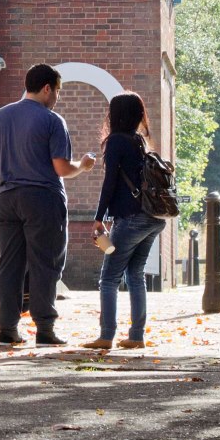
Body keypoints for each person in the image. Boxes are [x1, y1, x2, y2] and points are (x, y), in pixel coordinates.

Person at [0, 63, 96, 345]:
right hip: (43, 197)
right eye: (57, 91)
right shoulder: (52, 120)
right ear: (46, 89)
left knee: (9, 263)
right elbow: (62, 168)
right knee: (45, 262)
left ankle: (7, 328)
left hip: (6, 197)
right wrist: (84, 165)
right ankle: (44, 328)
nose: (57, 97)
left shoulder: (1, 116)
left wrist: (12, 160)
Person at [86, 91, 163, 351]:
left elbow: (110, 184)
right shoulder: (140, 142)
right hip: (152, 218)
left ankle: (106, 335)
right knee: (136, 274)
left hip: (129, 220)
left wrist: (98, 218)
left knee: (109, 278)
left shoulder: (117, 142)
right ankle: (136, 336)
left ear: (114, 115)